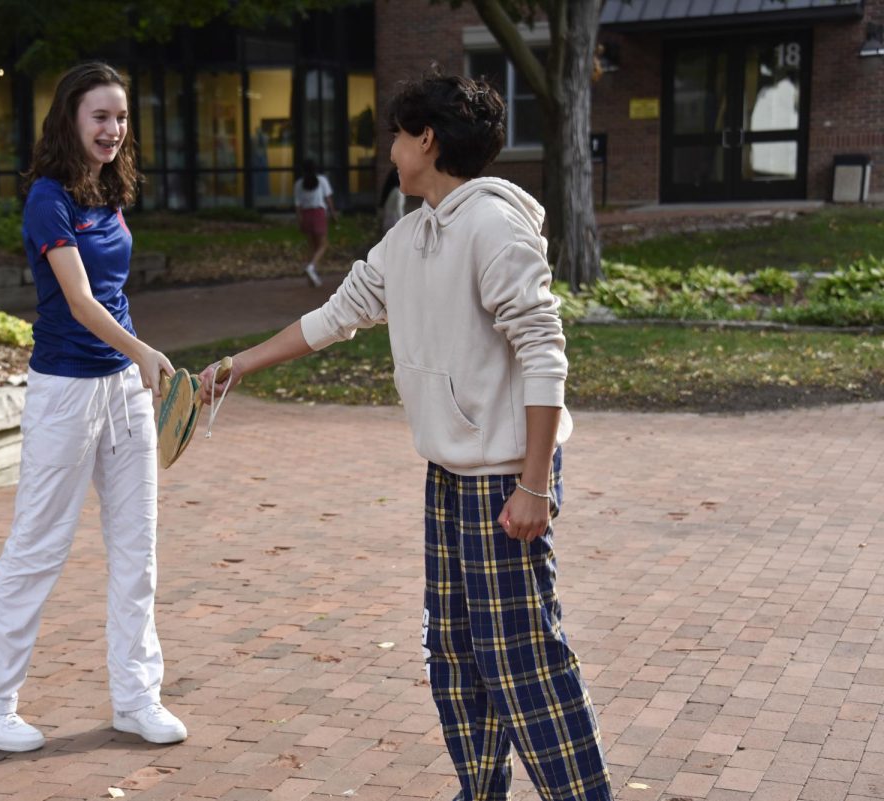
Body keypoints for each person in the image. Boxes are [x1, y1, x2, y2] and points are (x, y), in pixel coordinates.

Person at [203, 71, 612, 801]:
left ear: (426, 139)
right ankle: (480, 789)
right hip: (449, 475)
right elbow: (337, 316)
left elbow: (545, 352)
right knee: (454, 650)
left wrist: (533, 484)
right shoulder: (410, 235)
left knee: (522, 658)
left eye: (396, 134)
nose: (389, 149)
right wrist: (240, 363)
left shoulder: (493, 226)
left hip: (504, 476)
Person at [0, 61, 188, 752]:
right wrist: (144, 351)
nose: (112, 129)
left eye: (119, 117)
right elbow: (79, 302)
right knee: (37, 547)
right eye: (99, 117)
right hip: (65, 393)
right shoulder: (47, 199)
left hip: (123, 392)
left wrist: (138, 361)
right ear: (70, 121)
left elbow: (112, 295)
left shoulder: (107, 191)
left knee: (137, 552)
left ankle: (137, 698)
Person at [293, 158, 336, 288]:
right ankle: (311, 267)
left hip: (306, 215)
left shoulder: (299, 184)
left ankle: (312, 277)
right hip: (318, 213)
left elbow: (298, 205)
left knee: (312, 246)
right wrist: (333, 214)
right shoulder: (322, 180)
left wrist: (300, 220)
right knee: (323, 244)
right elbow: (328, 199)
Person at [378, 167, 405, 234]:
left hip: (388, 225)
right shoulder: (399, 192)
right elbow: (399, 210)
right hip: (396, 227)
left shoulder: (390, 191)